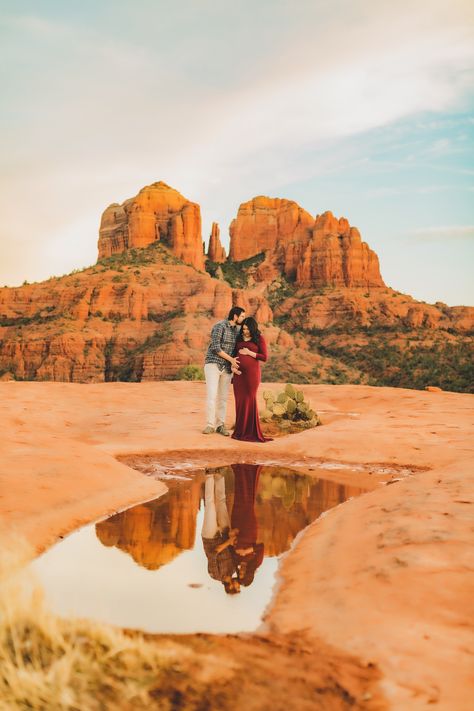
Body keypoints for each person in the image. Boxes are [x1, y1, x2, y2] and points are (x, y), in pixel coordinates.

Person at [203, 306, 246, 435]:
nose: (243, 319)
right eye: (242, 316)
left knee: (223, 398)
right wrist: (232, 360)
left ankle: (220, 425)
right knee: (212, 395)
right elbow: (216, 347)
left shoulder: (238, 331)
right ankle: (210, 425)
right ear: (235, 316)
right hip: (213, 364)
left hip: (227, 368)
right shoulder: (219, 326)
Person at [231, 316, 272, 442]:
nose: (245, 331)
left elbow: (264, 357)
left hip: (252, 375)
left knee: (250, 399)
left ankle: (250, 432)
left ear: (253, 329)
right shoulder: (238, 338)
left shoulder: (259, 339)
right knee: (240, 401)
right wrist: (232, 368)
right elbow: (232, 356)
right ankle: (240, 431)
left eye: (248, 329)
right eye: (243, 329)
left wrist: (249, 353)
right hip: (238, 375)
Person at [201, 470, 240, 594]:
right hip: (224, 532)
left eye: (237, 587)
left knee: (210, 504)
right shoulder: (233, 569)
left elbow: (212, 554)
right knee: (222, 502)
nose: (238, 585)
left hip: (210, 537)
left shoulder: (214, 575)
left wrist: (228, 542)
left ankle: (209, 475)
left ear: (229, 587)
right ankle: (219, 476)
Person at [230, 463, 264, 587]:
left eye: (240, 575)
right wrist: (248, 550)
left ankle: (239, 471)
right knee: (248, 503)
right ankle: (250, 470)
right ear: (249, 574)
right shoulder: (256, 563)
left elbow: (230, 548)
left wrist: (233, 541)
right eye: (244, 574)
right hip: (249, 529)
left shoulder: (236, 561)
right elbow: (261, 547)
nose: (241, 572)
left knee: (239, 499)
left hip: (237, 526)